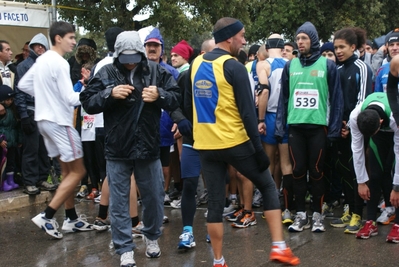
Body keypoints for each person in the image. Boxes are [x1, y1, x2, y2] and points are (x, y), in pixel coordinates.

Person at [185, 17, 300, 266]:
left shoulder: (194, 64)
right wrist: (258, 150)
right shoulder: (234, 66)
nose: (244, 40)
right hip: (234, 141)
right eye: (242, 35)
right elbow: (248, 113)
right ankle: (279, 247)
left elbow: (187, 105)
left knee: (215, 202)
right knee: (268, 186)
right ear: (229, 37)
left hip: (205, 144)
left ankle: (218, 261)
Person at [80, 31, 180, 267]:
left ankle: (152, 236)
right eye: (125, 57)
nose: (131, 61)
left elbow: (176, 97)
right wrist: (109, 94)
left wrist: (160, 94)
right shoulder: (106, 72)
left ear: (141, 52)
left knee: (154, 196)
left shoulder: (156, 71)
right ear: (117, 55)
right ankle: (124, 247)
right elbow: (88, 101)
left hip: (148, 144)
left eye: (134, 56)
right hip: (117, 146)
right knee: (119, 199)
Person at [18, 21, 93, 239]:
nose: (73, 42)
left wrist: (45, 95)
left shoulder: (41, 60)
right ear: (58, 38)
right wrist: (91, 93)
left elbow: (23, 85)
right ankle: (47, 215)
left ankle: (71, 218)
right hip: (60, 121)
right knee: (79, 171)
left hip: (43, 120)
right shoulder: (59, 63)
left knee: (68, 172)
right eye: (70, 37)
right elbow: (71, 98)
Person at [275, 21, 343, 233]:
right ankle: (300, 214)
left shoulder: (327, 65)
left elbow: (337, 98)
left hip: (317, 127)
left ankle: (317, 214)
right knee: (297, 171)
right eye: (297, 39)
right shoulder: (290, 65)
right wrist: (280, 125)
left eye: (304, 38)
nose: (300, 42)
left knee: (316, 171)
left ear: (313, 40)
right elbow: (283, 98)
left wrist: (333, 128)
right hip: (295, 126)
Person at [329, 27, 372, 234]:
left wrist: (349, 124)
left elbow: (362, 100)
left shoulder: (361, 68)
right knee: (343, 171)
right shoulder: (336, 70)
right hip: (340, 130)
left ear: (353, 47)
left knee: (357, 172)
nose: (338, 51)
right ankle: (348, 210)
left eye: (342, 47)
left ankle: (358, 214)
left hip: (356, 129)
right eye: (335, 47)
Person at [256, 33, 294, 224]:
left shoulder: (263, 64)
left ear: (267, 45)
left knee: (269, 163)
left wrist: (260, 119)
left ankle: (271, 207)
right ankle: (287, 209)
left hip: (271, 115)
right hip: (287, 116)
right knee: (286, 164)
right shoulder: (291, 64)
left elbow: (263, 92)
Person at [14, 33, 57, 195]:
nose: (40, 48)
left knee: (44, 149)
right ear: (31, 47)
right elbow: (18, 93)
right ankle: (30, 182)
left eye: (43, 46)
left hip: (45, 113)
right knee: (31, 149)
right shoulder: (24, 66)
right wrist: (24, 115)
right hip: (31, 112)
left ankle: (41, 178)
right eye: (37, 45)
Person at [350, 92, 396, 239]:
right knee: (375, 175)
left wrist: (397, 188)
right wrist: (361, 182)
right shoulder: (355, 116)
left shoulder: (396, 116)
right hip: (380, 134)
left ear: (381, 122)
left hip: (396, 130)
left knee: (394, 171)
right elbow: (357, 150)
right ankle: (370, 221)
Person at [0, 85, 21, 191]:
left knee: (11, 163)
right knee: (3, 163)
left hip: (12, 142)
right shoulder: (1, 111)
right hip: (4, 142)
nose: (10, 102)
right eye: (7, 99)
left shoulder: (13, 110)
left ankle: (10, 180)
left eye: (11, 99)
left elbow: (17, 127)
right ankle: (3, 182)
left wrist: (19, 140)